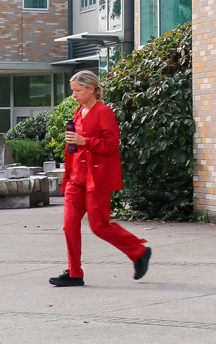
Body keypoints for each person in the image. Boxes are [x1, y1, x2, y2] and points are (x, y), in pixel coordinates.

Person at [50, 70, 151, 287]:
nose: (74, 95)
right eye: (73, 91)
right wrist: (67, 178)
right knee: (69, 226)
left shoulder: (104, 112)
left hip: (97, 179)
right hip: (76, 179)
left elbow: (112, 145)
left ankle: (139, 251)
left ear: (91, 89)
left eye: (77, 90)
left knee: (99, 226)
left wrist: (85, 141)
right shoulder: (78, 113)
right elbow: (73, 148)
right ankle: (75, 273)